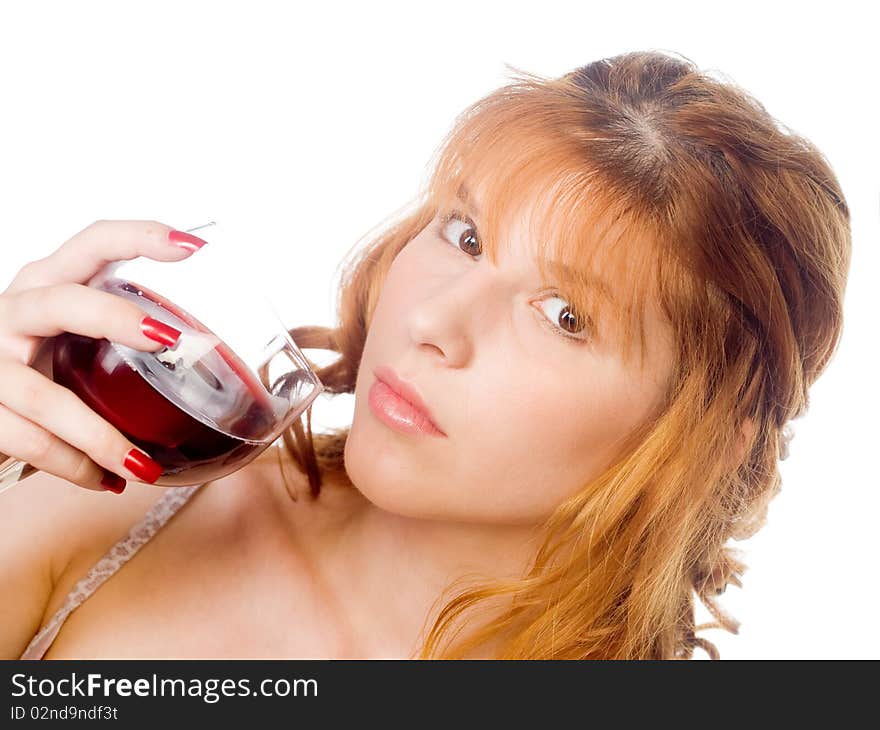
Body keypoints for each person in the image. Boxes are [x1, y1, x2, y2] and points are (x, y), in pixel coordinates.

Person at [0, 50, 851, 660]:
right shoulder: (116, 493)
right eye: (466, 233)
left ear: (705, 440)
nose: (434, 321)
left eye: (564, 315)